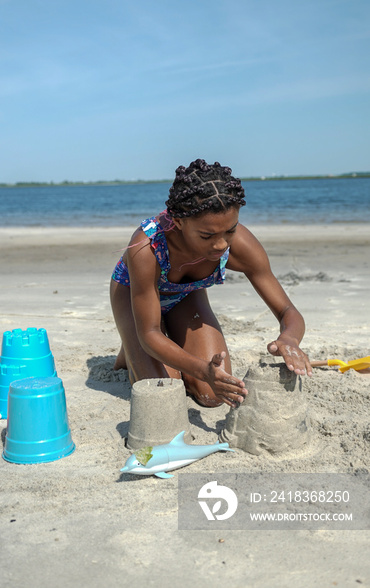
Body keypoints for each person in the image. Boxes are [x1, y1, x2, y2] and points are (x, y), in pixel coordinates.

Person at [110, 159, 312, 409]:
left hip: (185, 297)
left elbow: (287, 311)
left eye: (230, 230)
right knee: (164, 392)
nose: (221, 244)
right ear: (180, 222)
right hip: (133, 294)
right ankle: (131, 345)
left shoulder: (239, 244)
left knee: (213, 395)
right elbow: (150, 333)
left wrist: (290, 339)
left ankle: (142, 343)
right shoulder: (146, 247)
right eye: (207, 236)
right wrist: (201, 369)